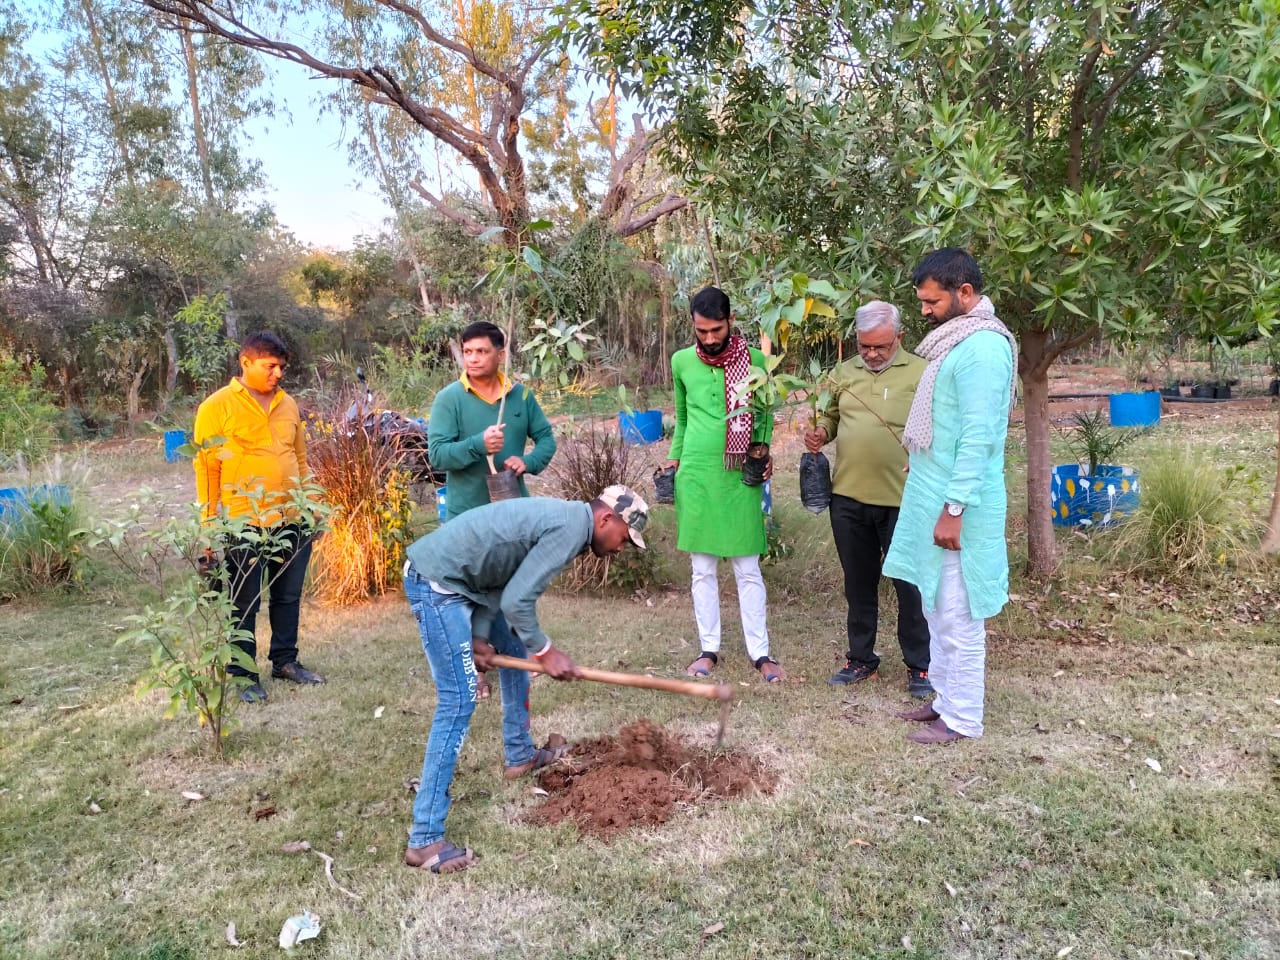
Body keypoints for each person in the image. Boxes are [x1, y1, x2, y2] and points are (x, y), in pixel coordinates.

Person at [401, 486, 649, 873]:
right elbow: (518, 600)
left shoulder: (569, 522)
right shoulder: (570, 528)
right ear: (606, 519)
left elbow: (503, 581)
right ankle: (424, 839)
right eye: (624, 539)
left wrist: (481, 634)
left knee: (512, 649)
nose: (621, 549)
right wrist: (546, 651)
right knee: (459, 700)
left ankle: (519, 755)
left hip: (467, 583)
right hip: (437, 582)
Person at [882, 248, 1017, 745]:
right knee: (935, 607)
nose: (924, 310)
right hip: (932, 495)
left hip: (960, 508)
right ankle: (942, 699)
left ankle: (962, 720)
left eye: (932, 301)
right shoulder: (955, 343)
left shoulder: (983, 350)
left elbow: (978, 438)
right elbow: (948, 424)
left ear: (964, 293)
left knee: (959, 616)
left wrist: (954, 508)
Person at [804, 300, 932, 697]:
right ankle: (861, 659)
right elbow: (829, 417)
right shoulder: (842, 374)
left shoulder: (923, 373)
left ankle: (920, 666)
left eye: (881, 346)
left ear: (900, 338)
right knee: (858, 583)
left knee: (909, 585)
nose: (873, 354)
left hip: (904, 500)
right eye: (865, 346)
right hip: (848, 499)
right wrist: (821, 432)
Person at [193, 331, 326, 703]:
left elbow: (299, 459)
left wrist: (310, 506)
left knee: (288, 596)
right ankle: (242, 674)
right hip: (244, 521)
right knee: (244, 600)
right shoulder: (216, 407)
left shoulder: (288, 404)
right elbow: (207, 470)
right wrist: (208, 527)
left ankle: (285, 661)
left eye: (281, 367)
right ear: (246, 362)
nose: (277, 374)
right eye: (270, 366)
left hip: (292, 517)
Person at [427, 320, 557, 700]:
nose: (473, 358)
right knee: (467, 595)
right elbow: (437, 456)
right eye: (467, 352)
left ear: (500, 353)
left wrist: (527, 463)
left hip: (512, 513)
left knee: (514, 588)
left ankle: (516, 654)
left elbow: (546, 439)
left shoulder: (519, 397)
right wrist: (476, 444)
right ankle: (473, 672)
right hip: (467, 515)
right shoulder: (449, 398)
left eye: (482, 351)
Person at [665, 286, 784, 684]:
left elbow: (765, 414)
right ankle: (708, 649)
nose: (710, 339)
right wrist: (674, 460)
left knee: (747, 567)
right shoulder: (681, 361)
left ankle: (760, 652)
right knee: (701, 569)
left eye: (716, 330)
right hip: (696, 474)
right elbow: (681, 418)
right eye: (702, 332)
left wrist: (763, 456)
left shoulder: (755, 361)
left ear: (731, 321)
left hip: (740, 475)